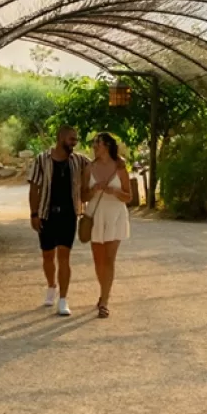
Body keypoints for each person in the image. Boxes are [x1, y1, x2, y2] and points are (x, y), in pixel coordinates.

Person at [28, 126, 90, 316]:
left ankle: (63, 299)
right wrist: (34, 214)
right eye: (72, 139)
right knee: (47, 255)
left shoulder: (79, 160)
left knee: (64, 255)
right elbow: (34, 188)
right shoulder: (41, 160)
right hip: (47, 213)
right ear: (61, 138)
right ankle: (51, 286)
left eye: (75, 140)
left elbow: (99, 165)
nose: (74, 142)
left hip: (68, 214)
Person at [82, 133, 132, 318]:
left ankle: (104, 300)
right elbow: (83, 196)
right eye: (94, 143)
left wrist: (115, 191)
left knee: (109, 259)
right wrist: (93, 190)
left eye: (98, 143)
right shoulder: (89, 168)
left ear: (108, 146)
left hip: (115, 216)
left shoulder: (120, 168)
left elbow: (129, 196)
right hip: (95, 215)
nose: (95, 146)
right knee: (98, 260)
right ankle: (103, 292)